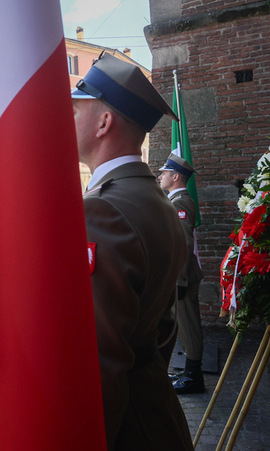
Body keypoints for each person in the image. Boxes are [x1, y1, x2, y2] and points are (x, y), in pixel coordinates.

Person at [71, 52, 194, 450]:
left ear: (105, 122)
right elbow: (164, 326)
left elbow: (99, 362)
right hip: (153, 412)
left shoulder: (102, 208)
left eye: (76, 110)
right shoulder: (152, 198)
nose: (66, 118)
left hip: (126, 429)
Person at [158, 154, 206, 394]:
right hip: (180, 274)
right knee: (183, 324)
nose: (160, 177)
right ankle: (189, 371)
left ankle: (194, 376)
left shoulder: (180, 202)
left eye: (164, 173)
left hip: (183, 275)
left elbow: (184, 245)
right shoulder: (174, 200)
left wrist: (180, 279)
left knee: (189, 325)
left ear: (175, 177)